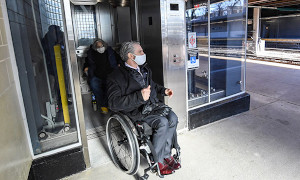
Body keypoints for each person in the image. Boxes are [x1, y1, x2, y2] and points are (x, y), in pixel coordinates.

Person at [106, 41, 181, 175]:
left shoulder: (145, 69)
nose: (144, 54)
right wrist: (139, 97)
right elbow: (113, 103)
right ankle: (156, 160)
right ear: (131, 56)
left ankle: (166, 154)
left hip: (153, 106)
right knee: (162, 123)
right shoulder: (115, 77)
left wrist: (164, 90)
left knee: (173, 118)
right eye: (140, 52)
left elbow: (152, 86)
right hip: (137, 111)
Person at [84, 39, 121, 114]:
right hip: (97, 75)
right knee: (94, 84)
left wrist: (119, 64)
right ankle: (103, 104)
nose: (100, 47)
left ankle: (112, 104)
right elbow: (87, 62)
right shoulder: (91, 53)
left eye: (101, 45)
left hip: (111, 74)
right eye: (98, 46)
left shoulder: (110, 51)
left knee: (113, 86)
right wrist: (86, 67)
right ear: (95, 47)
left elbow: (118, 59)